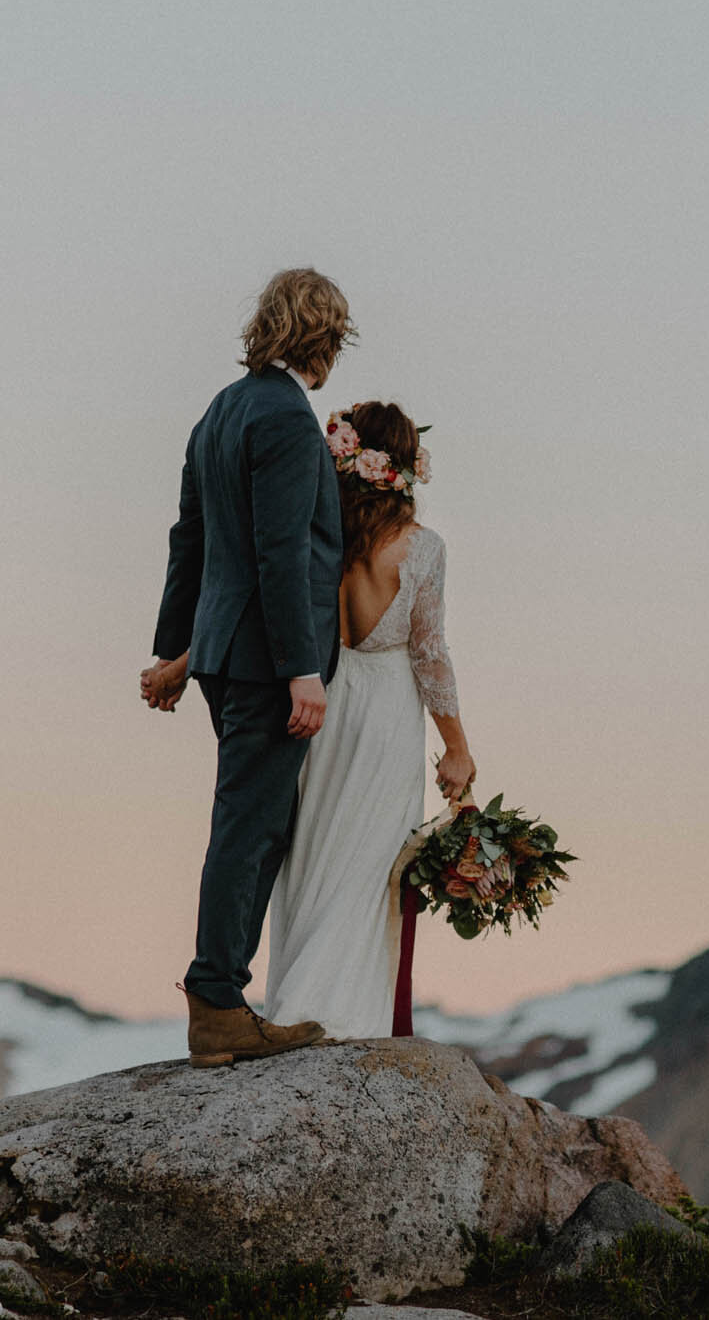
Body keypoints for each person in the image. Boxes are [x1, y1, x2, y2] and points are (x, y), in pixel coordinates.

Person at [142, 267, 352, 1069]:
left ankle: (221, 996)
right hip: (269, 660)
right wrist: (303, 667)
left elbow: (187, 537)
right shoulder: (289, 423)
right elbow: (280, 550)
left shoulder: (218, 413)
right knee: (250, 823)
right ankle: (219, 1000)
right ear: (324, 338)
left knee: (253, 819)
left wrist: (172, 649)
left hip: (225, 654)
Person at [261, 399, 474, 1038]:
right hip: (384, 720)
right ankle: (338, 1018)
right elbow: (431, 655)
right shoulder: (422, 549)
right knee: (368, 871)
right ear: (406, 467)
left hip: (321, 705)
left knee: (316, 857)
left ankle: (290, 1007)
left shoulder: (322, 538)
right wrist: (457, 748)